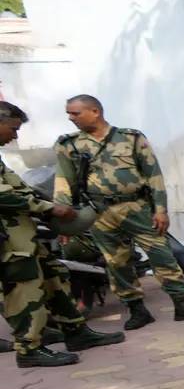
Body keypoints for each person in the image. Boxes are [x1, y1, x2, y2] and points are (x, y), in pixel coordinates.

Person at [54, 94, 184, 329]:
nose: (71, 118)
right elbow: (63, 181)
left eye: (75, 113)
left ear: (95, 112)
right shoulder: (68, 144)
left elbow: (153, 175)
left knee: (161, 254)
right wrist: (64, 216)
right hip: (99, 211)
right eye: (68, 114)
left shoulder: (131, 138)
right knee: (117, 262)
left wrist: (161, 210)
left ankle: (182, 304)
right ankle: (137, 310)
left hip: (137, 207)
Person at [1, 102, 126, 368]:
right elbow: (5, 197)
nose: (15, 136)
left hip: (22, 236)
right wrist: (48, 208)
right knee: (24, 290)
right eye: (12, 129)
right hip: (9, 242)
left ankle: (76, 332)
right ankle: (29, 349)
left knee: (54, 277)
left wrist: (47, 203)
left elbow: (19, 188)